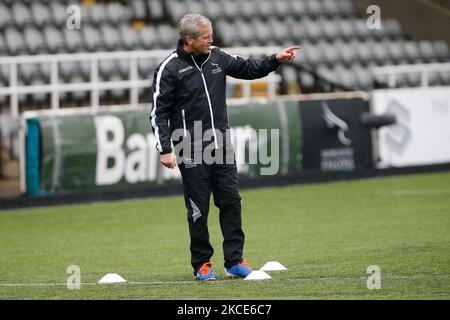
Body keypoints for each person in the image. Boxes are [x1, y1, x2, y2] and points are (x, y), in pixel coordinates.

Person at [150, 13, 299, 281]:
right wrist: (165, 148)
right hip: (189, 146)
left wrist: (275, 60)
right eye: (206, 37)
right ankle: (202, 264)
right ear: (189, 39)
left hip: (221, 144)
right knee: (199, 209)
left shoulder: (217, 56)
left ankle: (234, 261)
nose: (211, 40)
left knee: (231, 201)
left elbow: (248, 69)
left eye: (211, 35)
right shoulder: (169, 68)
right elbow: (158, 112)